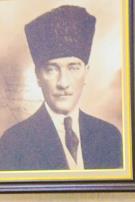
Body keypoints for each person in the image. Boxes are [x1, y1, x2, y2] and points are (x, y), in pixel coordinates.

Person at [0, 5, 122, 171]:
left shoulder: (109, 136)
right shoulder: (13, 142)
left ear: (86, 72)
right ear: (38, 75)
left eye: (73, 68)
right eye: (51, 69)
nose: (63, 83)